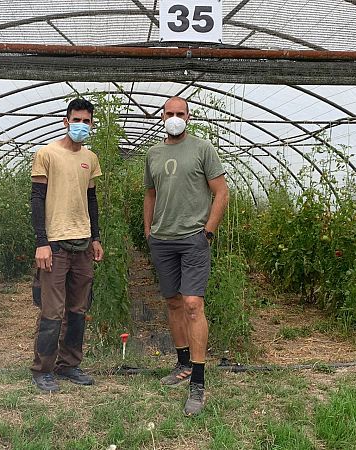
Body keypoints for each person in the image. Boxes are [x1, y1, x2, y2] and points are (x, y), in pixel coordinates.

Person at [143, 96, 229, 415]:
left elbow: (221, 192)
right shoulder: (153, 153)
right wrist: (148, 230)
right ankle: (182, 365)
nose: (174, 118)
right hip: (162, 239)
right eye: (170, 113)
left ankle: (198, 382)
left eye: (180, 113)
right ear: (161, 116)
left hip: (193, 238)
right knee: (173, 302)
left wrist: (208, 230)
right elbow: (150, 193)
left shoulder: (203, 149)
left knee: (193, 304)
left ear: (188, 117)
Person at [30, 98, 104, 393]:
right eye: (77, 120)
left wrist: (95, 237)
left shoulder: (91, 158)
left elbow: (91, 200)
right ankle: (42, 369)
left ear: (92, 124)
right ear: (66, 121)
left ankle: (69, 365)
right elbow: (37, 199)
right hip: (56, 244)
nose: (81, 126)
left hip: (83, 244)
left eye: (87, 121)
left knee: (77, 309)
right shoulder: (47, 154)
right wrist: (41, 242)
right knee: (52, 310)